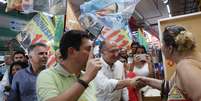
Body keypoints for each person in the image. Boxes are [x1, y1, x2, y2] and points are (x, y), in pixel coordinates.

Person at [132, 25, 201, 101]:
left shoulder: (185, 66)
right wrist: (146, 80)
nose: (161, 48)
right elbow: (169, 85)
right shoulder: (186, 63)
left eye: (162, 44)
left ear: (170, 48)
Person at [36, 30, 102, 101]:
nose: (92, 54)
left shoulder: (88, 77)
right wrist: (85, 79)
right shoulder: (47, 75)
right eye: (88, 49)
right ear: (71, 51)